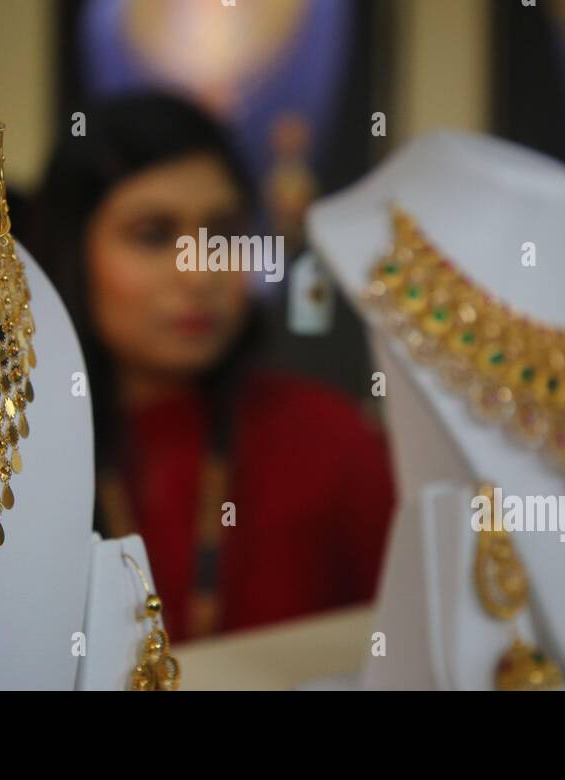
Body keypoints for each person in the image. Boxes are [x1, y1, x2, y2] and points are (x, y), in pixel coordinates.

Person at [28, 93, 393, 642]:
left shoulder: (334, 443)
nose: (200, 272)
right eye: (153, 234)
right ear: (73, 255)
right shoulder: (14, 452)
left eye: (223, 233)